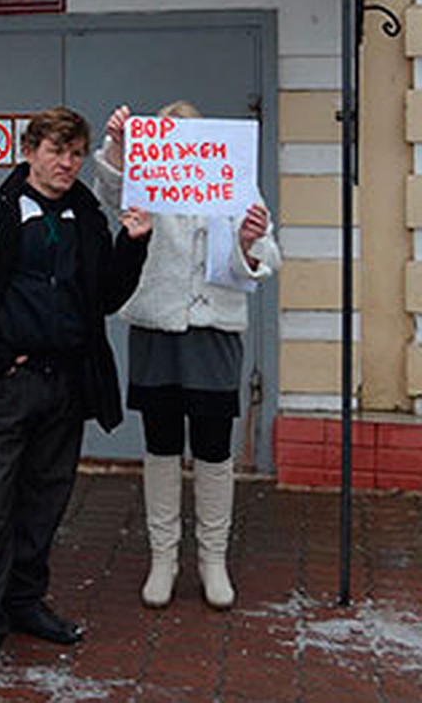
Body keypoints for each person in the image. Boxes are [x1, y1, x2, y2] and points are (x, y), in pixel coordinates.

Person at [0, 106, 152, 686]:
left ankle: (25, 601)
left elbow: (104, 296)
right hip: (9, 384)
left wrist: (133, 244)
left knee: (46, 500)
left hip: (67, 382)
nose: (67, 163)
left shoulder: (85, 211)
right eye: (56, 150)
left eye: (76, 153)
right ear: (29, 150)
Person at [94, 101, 281, 611]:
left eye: (192, 137)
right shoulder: (148, 181)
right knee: (161, 444)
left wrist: (247, 244)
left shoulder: (236, 181)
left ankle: (212, 560)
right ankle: (163, 558)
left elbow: (268, 254)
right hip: (157, 326)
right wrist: (119, 145)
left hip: (215, 330)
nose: (183, 146)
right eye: (172, 136)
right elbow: (111, 192)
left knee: (214, 447)